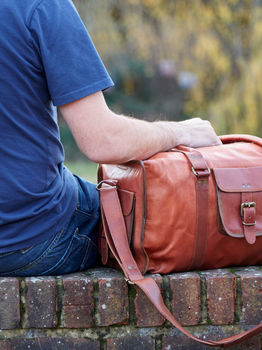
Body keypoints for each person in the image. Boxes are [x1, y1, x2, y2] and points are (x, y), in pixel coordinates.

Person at [0, 0, 220, 276]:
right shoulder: (42, 6)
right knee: (158, 219)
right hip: (28, 236)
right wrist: (180, 132)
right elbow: (103, 140)